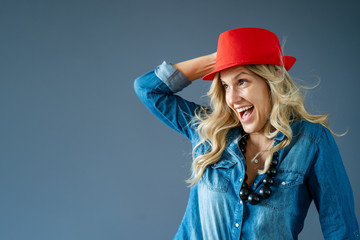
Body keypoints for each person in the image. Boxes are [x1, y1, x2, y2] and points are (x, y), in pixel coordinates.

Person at [133, 27, 359, 239]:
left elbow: (342, 230)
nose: (232, 99)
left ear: (275, 77)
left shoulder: (312, 141)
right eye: (225, 85)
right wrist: (221, 58)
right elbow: (147, 88)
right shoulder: (208, 129)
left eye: (242, 81)